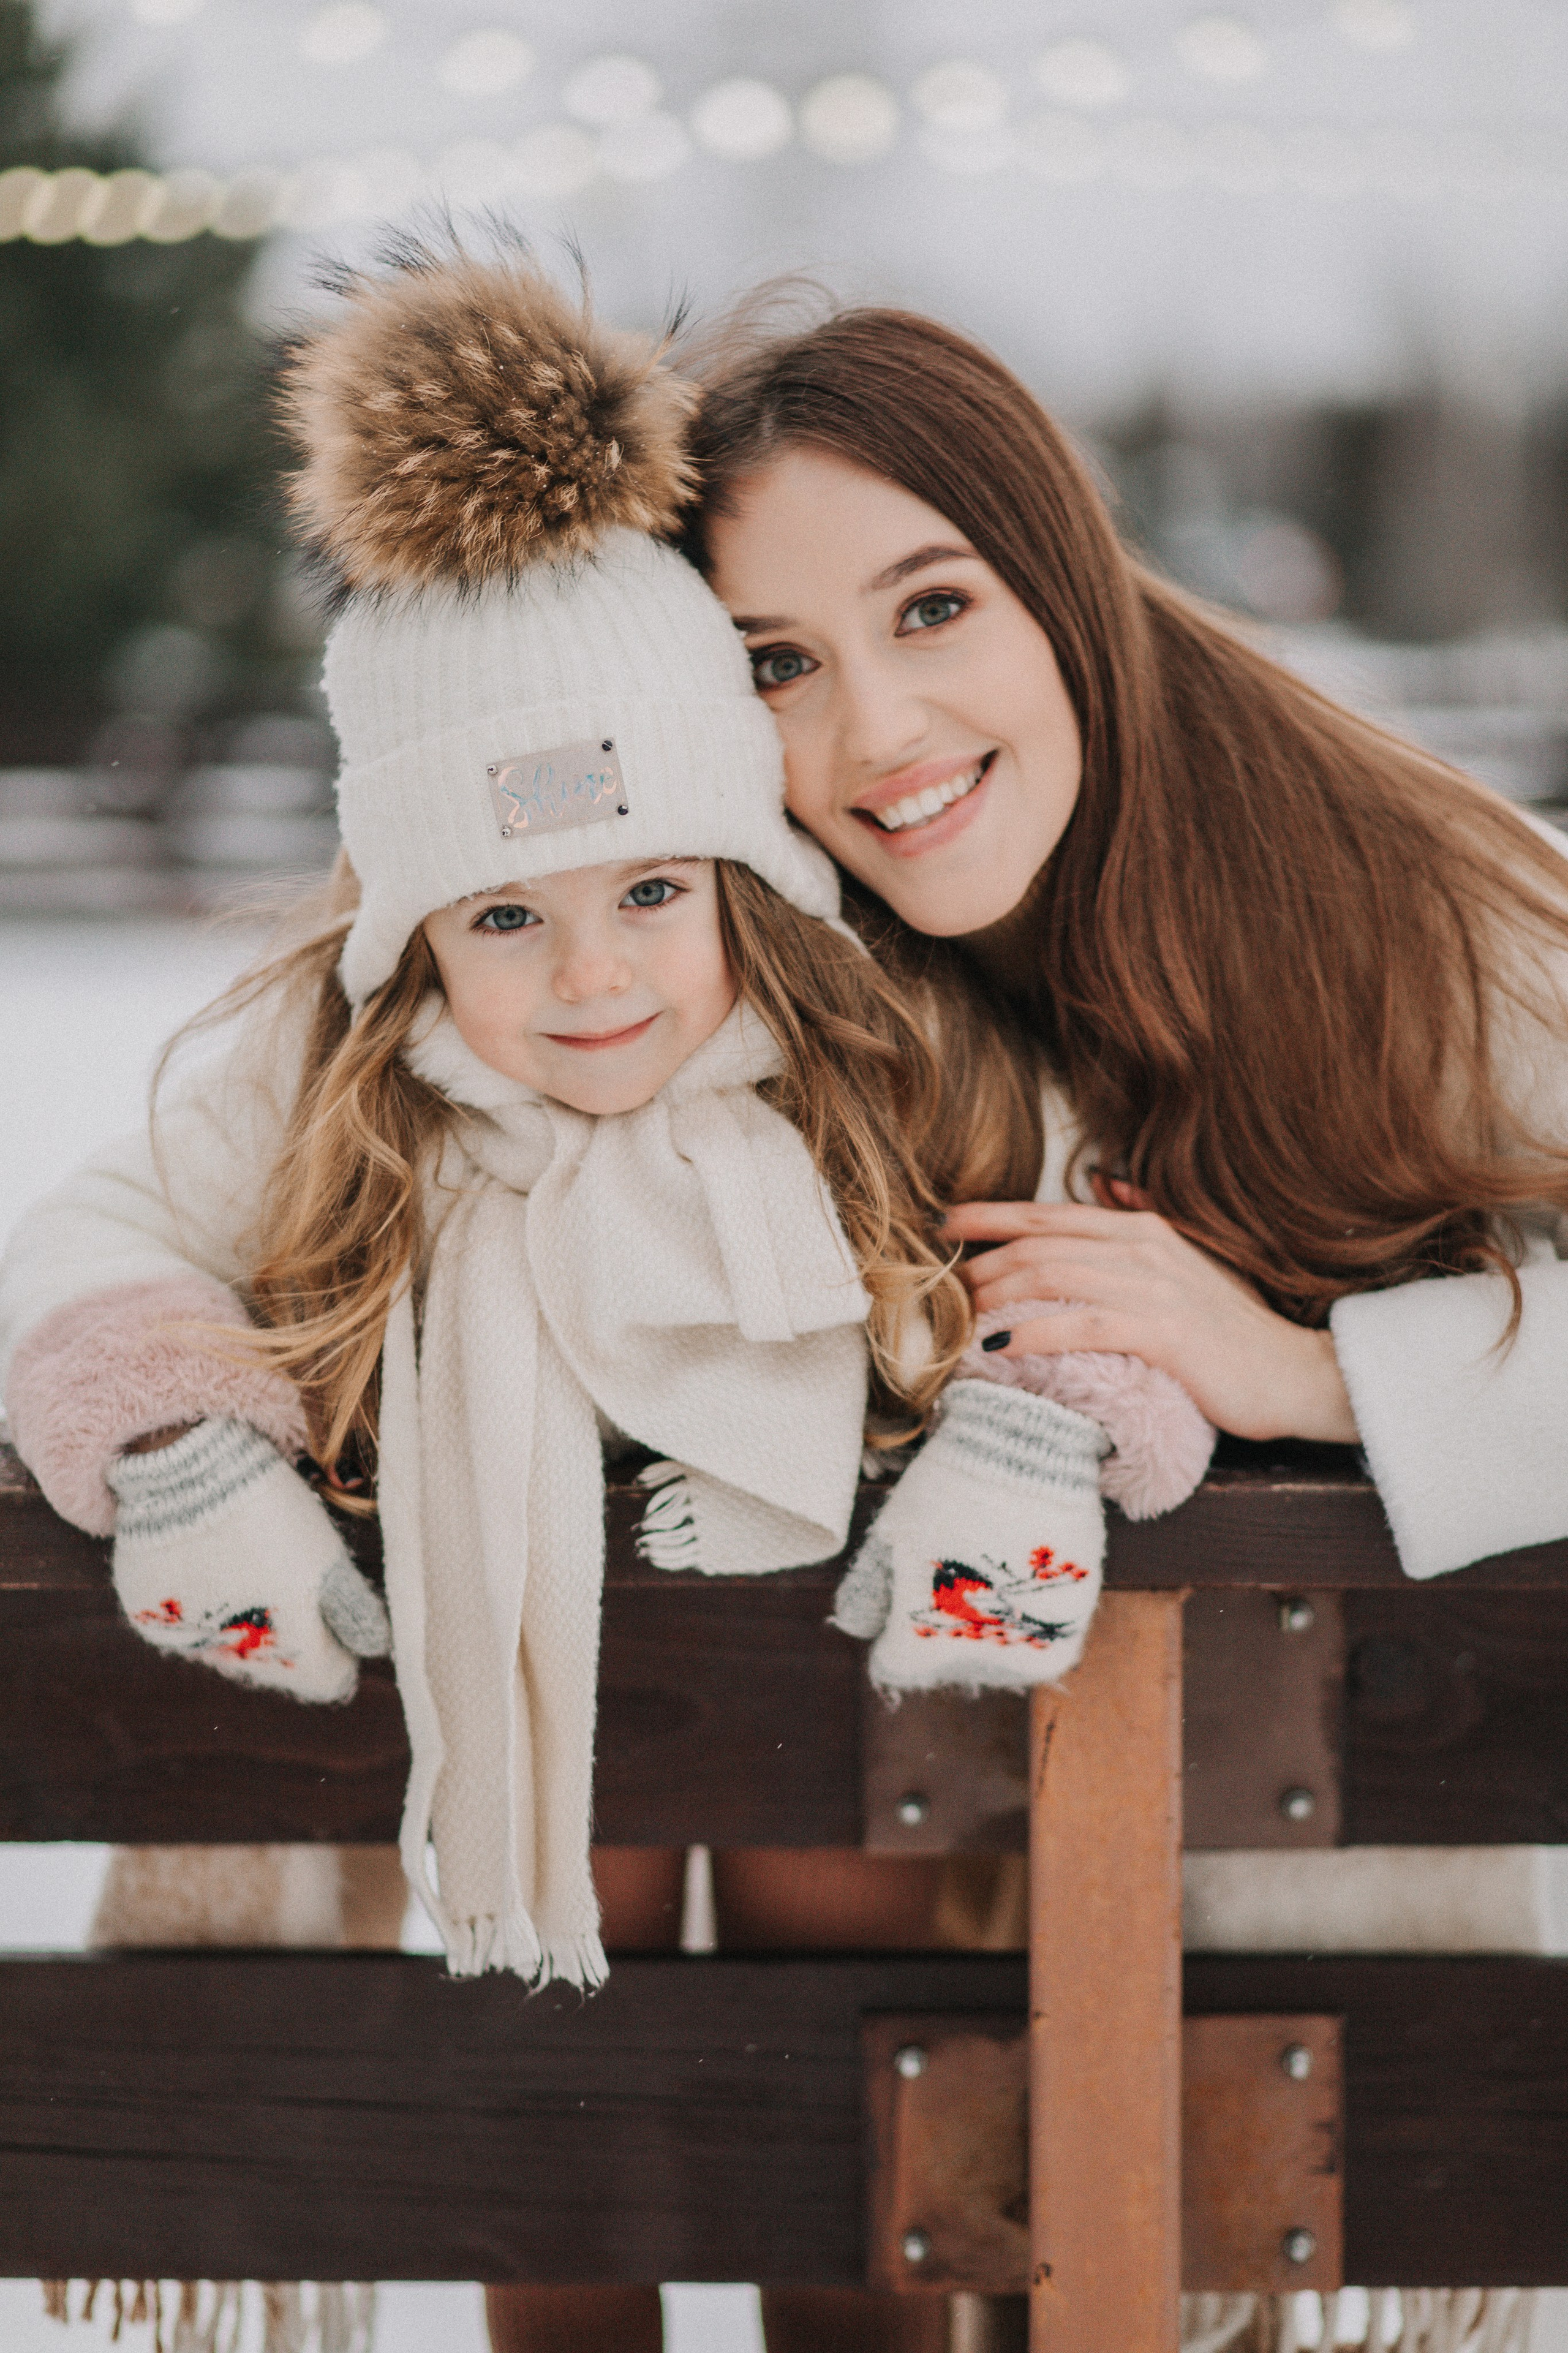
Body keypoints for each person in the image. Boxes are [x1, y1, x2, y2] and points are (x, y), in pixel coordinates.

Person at [0, 248, 1208, 2353]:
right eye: (507, 914)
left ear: (748, 873)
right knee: (555, 2036)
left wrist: (1042, 1424)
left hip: (853, 1704)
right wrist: (184, 1438)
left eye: (657, 889)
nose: (597, 978)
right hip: (529, 1760)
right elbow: (98, 1242)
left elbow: (1095, 1247)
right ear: (411, 929)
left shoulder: (902, 1065)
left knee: (862, 1982)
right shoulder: (334, 1088)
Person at [679, 299, 1568, 2349]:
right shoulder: (748, 970)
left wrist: (1318, 1375)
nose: (878, 732)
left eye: (932, 607)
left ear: (1064, 580)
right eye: (776, 666)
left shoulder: (1399, 897)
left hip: (1295, 2040)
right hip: (996, 1974)